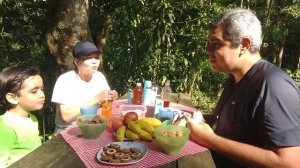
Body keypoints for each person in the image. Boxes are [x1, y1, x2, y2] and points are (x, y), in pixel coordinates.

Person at [186, 8, 300, 167]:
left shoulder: (274, 86)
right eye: (208, 44)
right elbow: (233, 124)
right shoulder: (235, 78)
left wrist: (209, 139)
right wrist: (192, 117)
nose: (207, 50)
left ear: (244, 45)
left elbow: (290, 163)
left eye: (216, 44)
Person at [51, 41, 118, 134]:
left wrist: (110, 97)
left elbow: (105, 105)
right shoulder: (65, 80)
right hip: (69, 131)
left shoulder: (99, 77)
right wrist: (96, 99)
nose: (94, 61)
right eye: (89, 58)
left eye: (97, 57)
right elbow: (66, 116)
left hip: (95, 126)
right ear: (76, 61)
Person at [0, 67, 45, 167]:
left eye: (42, 89)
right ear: (12, 97)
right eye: (34, 91)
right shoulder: (5, 128)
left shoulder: (32, 118)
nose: (42, 95)